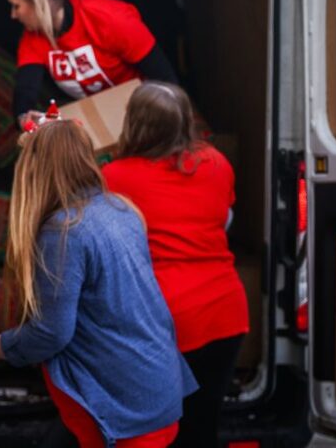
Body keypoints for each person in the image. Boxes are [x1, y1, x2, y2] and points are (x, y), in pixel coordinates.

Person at [0, 120, 197, 448]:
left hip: (120, 411)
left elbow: (51, 333)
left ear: (33, 169)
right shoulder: (120, 209)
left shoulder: (63, 231)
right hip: (155, 388)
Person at [102, 82, 249, 448]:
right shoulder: (217, 164)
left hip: (162, 322)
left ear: (133, 124)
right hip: (224, 314)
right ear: (186, 121)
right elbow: (224, 220)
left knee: (153, 432)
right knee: (202, 426)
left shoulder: (115, 177)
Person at [2, 0, 179, 127]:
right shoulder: (33, 36)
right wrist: (24, 118)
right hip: (96, 119)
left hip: (142, 113)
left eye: (16, 5)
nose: (13, 15)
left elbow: (166, 80)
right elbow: (26, 89)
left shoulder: (110, 18)